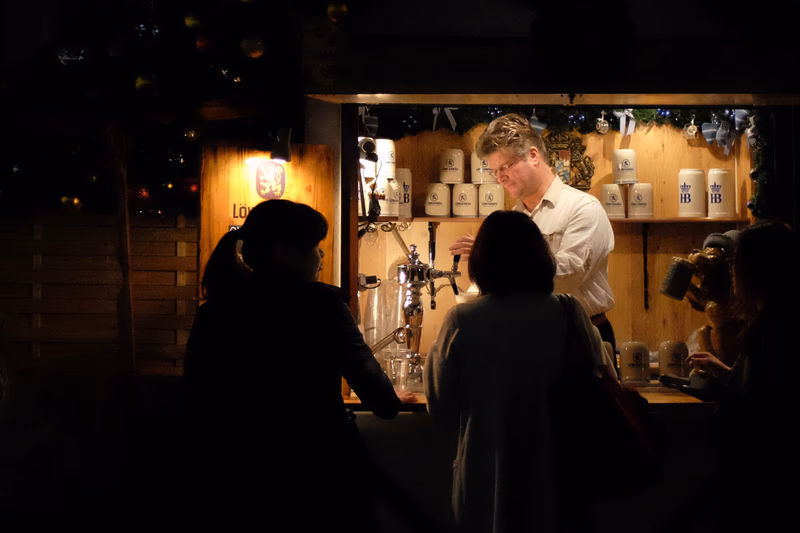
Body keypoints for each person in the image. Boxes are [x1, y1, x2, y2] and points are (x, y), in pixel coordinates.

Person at [181, 199, 414, 530]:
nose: (320, 257)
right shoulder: (322, 306)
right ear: (282, 250)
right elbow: (383, 401)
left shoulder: (214, 311)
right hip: (316, 475)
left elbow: (196, 400)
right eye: (315, 247)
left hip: (235, 478)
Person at [425, 211, 614, 533]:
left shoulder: (462, 319)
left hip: (487, 467)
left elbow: (440, 406)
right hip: (561, 466)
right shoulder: (569, 310)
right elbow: (605, 379)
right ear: (542, 256)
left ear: (481, 261)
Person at [450, 114, 617, 354]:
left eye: (505, 167)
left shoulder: (583, 208)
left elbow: (568, 277)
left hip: (579, 336)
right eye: (495, 171)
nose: (500, 178)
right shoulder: (513, 218)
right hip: (529, 336)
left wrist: (497, 257)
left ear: (533, 155)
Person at [685, 220, 799, 532]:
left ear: (756, 271)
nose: (733, 275)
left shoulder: (775, 329)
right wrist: (724, 372)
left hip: (764, 472)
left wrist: (719, 391)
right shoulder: (778, 319)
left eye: (738, 265)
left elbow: (773, 412)